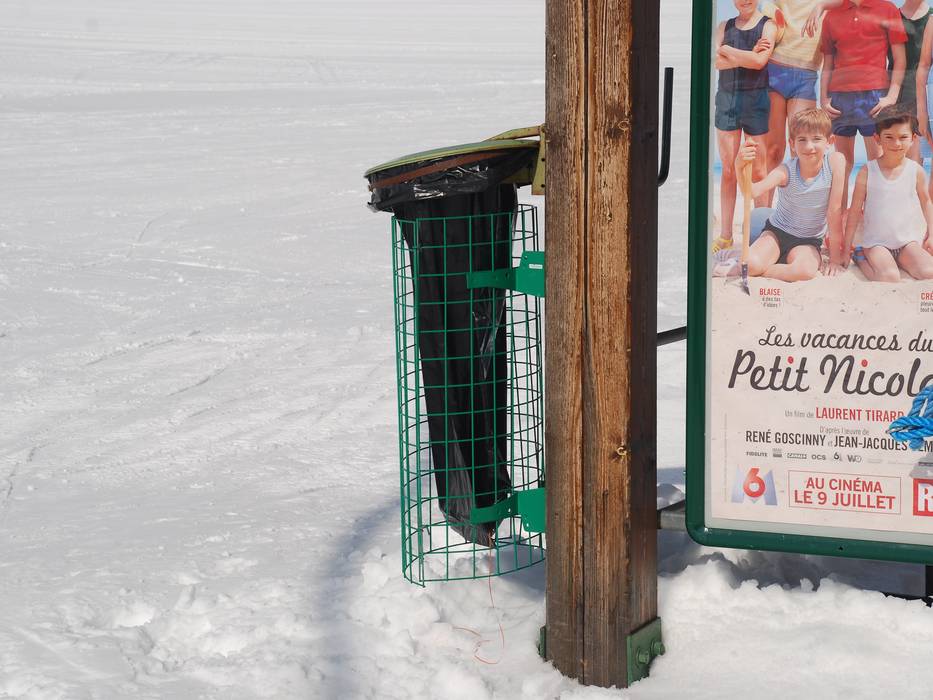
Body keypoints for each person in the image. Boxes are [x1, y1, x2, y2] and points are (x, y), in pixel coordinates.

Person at [733, 109, 847, 282]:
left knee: (805, 272)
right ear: (792, 144)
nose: (809, 146)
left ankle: (766, 267)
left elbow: (834, 212)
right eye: (802, 140)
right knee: (752, 266)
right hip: (777, 233)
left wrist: (835, 260)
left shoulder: (836, 162)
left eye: (816, 139)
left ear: (829, 142)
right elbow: (752, 192)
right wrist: (739, 166)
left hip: (808, 240)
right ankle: (758, 262)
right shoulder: (786, 171)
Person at [820, 0, 907, 211]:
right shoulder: (832, 15)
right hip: (840, 98)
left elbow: (900, 59)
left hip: (874, 96)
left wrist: (892, 95)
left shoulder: (887, 9)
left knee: (876, 162)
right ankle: (839, 219)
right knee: (842, 164)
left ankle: (873, 218)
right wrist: (823, 97)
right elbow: (828, 63)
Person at [712, 0, 777, 254]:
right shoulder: (723, 26)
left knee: (759, 171)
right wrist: (748, 56)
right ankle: (726, 235)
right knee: (728, 169)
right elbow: (716, 62)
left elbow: (760, 62)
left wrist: (728, 51)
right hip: (727, 99)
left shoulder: (768, 26)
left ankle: (759, 234)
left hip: (755, 99)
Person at [845, 109, 933, 281]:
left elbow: (926, 203)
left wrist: (931, 233)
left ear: (913, 138)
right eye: (889, 137)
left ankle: (898, 260)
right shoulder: (867, 171)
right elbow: (854, 212)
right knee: (889, 276)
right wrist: (846, 247)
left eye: (903, 137)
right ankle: (860, 257)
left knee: (929, 271)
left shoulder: (916, 171)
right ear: (877, 138)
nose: (896, 143)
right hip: (876, 243)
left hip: (906, 242)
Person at [889, 0, 931, 163]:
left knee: (916, 159)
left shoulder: (931, 17)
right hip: (894, 94)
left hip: (924, 96)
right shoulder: (891, 16)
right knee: (898, 160)